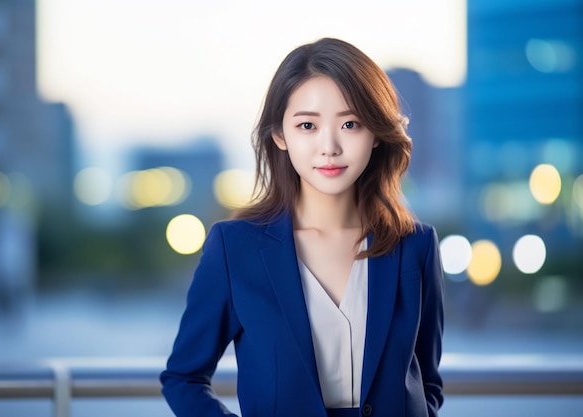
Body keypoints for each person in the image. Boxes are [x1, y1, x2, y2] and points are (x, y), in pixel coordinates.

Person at [160, 37, 445, 417]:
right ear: (280, 135)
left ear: (376, 133)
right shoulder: (235, 248)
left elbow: (427, 381)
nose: (329, 146)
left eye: (351, 123)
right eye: (308, 125)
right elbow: (183, 377)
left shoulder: (416, 246)